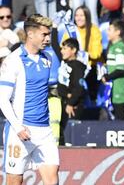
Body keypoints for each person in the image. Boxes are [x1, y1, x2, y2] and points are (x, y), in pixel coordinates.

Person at [0, 14, 59, 185]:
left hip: (44, 131)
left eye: (49, 35)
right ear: (31, 34)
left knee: (52, 178)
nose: (48, 39)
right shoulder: (13, 61)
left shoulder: (47, 58)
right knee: (14, 181)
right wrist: (18, 127)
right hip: (20, 131)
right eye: (44, 35)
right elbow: (3, 99)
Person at [62, 5, 103, 101]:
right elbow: (63, 47)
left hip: (91, 65)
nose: (78, 18)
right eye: (76, 15)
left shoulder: (94, 30)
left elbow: (97, 53)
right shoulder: (71, 30)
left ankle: (92, 102)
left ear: (87, 17)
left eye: (82, 15)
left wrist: (85, 56)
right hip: (74, 66)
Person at [56, 38, 87, 145]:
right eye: (61, 48)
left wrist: (70, 103)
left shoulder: (78, 67)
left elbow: (79, 88)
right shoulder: (64, 63)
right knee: (61, 132)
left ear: (73, 50)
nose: (62, 51)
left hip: (73, 106)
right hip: (63, 102)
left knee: (70, 135)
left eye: (65, 48)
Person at [102, 19, 124, 120]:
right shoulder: (112, 47)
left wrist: (107, 77)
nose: (107, 32)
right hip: (114, 89)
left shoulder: (120, 48)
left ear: (117, 32)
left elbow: (120, 69)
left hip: (120, 88)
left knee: (121, 117)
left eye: (110, 29)